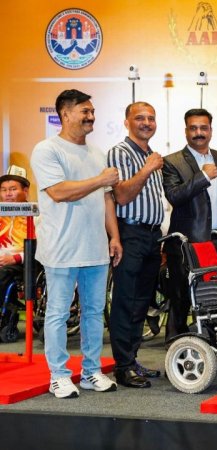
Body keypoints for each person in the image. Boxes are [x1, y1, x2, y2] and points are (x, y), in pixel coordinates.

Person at [30, 89, 121, 398]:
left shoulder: (97, 153)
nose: (91, 116)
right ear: (65, 114)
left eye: (92, 111)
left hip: (95, 248)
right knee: (58, 313)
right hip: (61, 248)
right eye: (85, 111)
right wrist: (101, 179)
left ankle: (92, 371)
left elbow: (107, 199)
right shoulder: (47, 150)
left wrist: (114, 236)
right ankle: (58, 375)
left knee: (94, 312)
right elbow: (59, 192)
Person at [106, 102, 164, 388]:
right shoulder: (120, 152)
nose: (146, 122)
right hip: (130, 233)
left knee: (142, 302)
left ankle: (132, 359)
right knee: (125, 301)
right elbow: (122, 196)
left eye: (151, 118)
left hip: (152, 236)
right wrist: (147, 168)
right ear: (126, 122)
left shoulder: (150, 154)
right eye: (140, 117)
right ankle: (122, 366)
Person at [162, 108, 217, 341]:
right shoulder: (171, 161)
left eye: (204, 128)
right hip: (187, 242)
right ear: (186, 131)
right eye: (193, 128)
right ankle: (176, 344)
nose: (199, 133)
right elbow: (174, 196)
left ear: (211, 130)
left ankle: (214, 343)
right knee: (181, 297)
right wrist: (202, 177)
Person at [0, 169, 32, 337]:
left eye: (13, 189)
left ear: (25, 191)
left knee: (3, 273)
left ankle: (6, 316)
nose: (8, 194)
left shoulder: (36, 214)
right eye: (4, 190)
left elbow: (42, 247)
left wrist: (15, 258)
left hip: (24, 263)